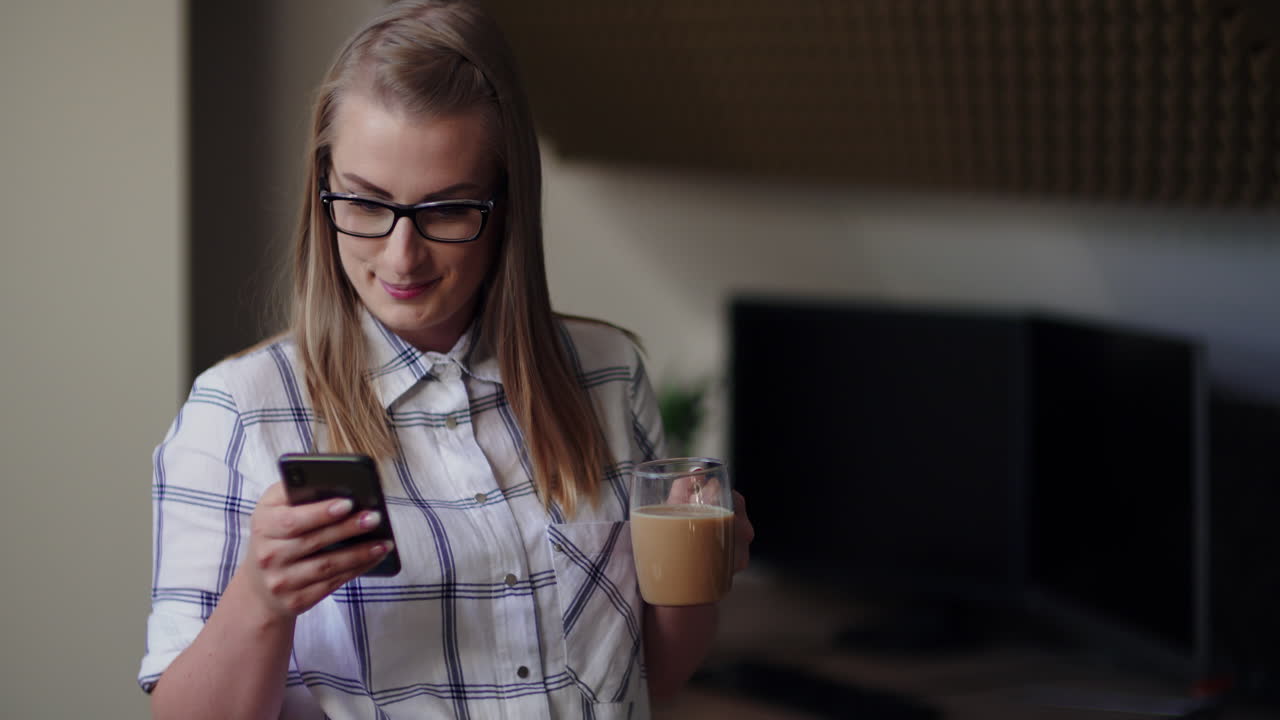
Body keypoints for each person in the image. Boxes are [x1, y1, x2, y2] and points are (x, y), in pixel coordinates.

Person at [139, 1, 754, 718]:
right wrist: (260, 600)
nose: (402, 255)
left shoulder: (608, 375)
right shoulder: (238, 412)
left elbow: (654, 675)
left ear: (506, 206)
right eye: (366, 205)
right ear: (323, 189)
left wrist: (699, 572)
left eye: (447, 210)